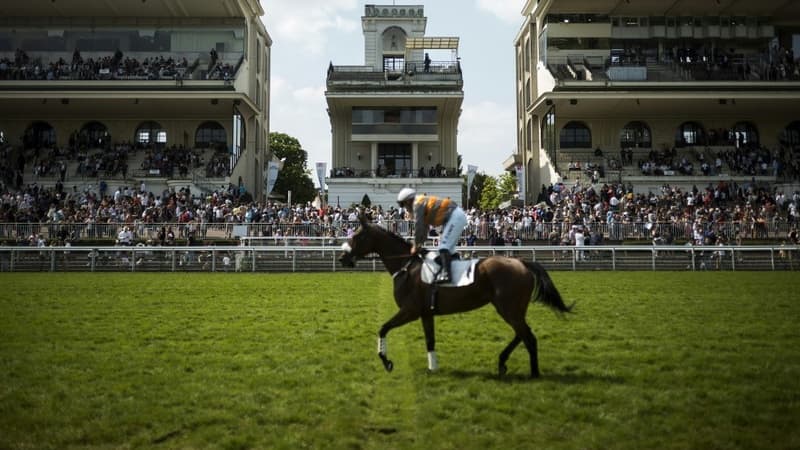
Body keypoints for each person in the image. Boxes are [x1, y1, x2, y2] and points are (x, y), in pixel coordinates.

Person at [397, 187, 467, 285]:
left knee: (444, 247)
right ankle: (458, 271)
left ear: (408, 201)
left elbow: (419, 226)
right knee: (447, 251)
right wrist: (419, 245)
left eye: (404, 204)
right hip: (453, 217)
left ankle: (447, 275)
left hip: (455, 217)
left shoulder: (417, 204)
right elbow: (424, 230)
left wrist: (416, 245)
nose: (405, 208)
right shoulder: (420, 203)